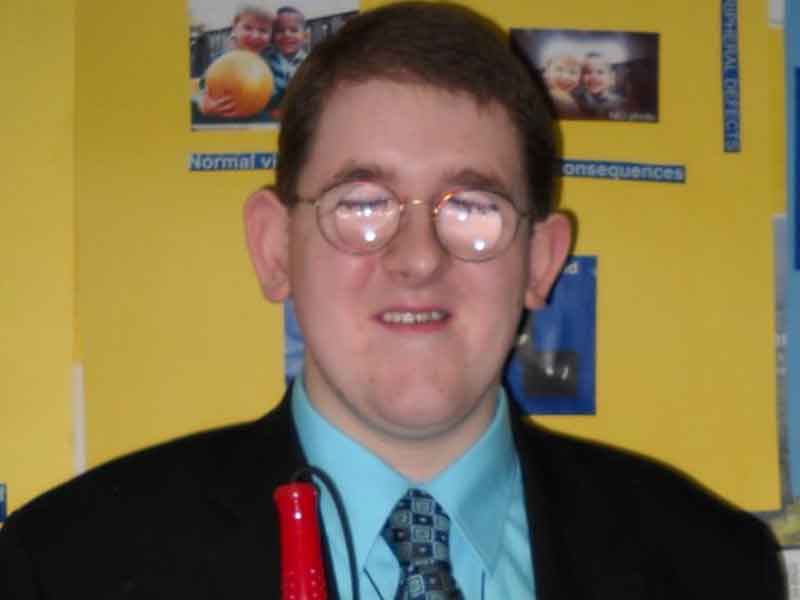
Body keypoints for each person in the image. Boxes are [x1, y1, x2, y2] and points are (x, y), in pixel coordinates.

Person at [0, 3, 786, 599]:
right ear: (275, 249)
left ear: (542, 261)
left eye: (471, 208)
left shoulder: (714, 569)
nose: (417, 259)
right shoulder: (68, 568)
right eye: (363, 203)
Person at [193, 3, 276, 123]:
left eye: (263, 30)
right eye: (248, 28)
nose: (255, 35)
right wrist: (202, 104)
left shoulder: (271, 64)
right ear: (235, 28)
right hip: (221, 124)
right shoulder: (217, 63)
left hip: (256, 126)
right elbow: (196, 89)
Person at [265, 6, 309, 118]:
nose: (287, 34)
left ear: (305, 36)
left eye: (294, 30)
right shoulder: (264, 64)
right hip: (270, 119)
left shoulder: (312, 63)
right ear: (272, 36)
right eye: (280, 31)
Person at [575, 50, 625, 119]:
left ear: (611, 77)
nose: (593, 77)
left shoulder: (621, 104)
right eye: (588, 72)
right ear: (581, 77)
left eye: (600, 72)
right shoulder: (574, 102)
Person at [541, 50, 582, 119]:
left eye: (573, 72)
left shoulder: (575, 98)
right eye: (559, 69)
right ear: (546, 73)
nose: (566, 77)